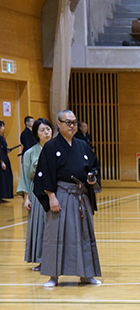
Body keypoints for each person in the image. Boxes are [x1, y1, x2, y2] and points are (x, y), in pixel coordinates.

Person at [33, 110, 101, 288]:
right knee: (56, 235)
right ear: (59, 123)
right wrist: (51, 196)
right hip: (61, 195)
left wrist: (92, 177)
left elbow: (93, 166)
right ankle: (53, 276)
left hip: (80, 195)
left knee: (84, 235)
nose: (72, 126)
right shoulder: (51, 146)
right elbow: (44, 172)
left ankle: (86, 274)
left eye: (74, 122)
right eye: (68, 122)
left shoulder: (82, 145)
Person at [16, 118, 53, 271]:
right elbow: (25, 176)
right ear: (36, 134)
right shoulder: (30, 153)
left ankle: (57, 259)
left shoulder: (57, 149)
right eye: (42, 130)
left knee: (55, 226)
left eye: (48, 129)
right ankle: (41, 260)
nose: (46, 132)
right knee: (40, 227)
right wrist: (26, 198)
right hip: (37, 193)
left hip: (56, 192)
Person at [0, 120, 14, 203]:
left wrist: (6, 150)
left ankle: (2, 196)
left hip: (4, 158)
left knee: (4, 179)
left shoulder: (1, 137)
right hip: (1, 161)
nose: (3, 128)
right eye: (2, 126)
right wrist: (1, 162)